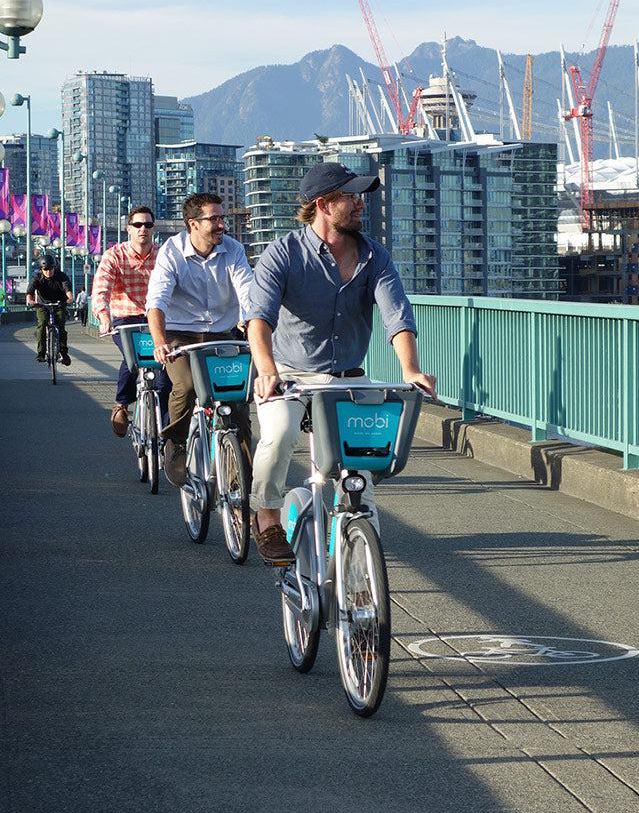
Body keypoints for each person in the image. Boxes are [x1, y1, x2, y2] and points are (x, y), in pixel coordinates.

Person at [245, 161, 437, 563]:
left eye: (359, 196)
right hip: (290, 375)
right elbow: (258, 319)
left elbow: (396, 316)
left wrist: (411, 369)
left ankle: (360, 577)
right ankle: (265, 516)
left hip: (348, 377)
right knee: (279, 437)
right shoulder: (283, 254)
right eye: (350, 197)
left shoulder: (373, 256)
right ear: (324, 204)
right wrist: (266, 370)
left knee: (359, 478)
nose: (359, 204)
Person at [146, 192, 254, 487]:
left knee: (238, 403)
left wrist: (250, 321)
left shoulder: (233, 249)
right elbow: (156, 301)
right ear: (193, 224)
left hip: (221, 333)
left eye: (223, 218)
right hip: (180, 334)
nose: (222, 225)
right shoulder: (172, 252)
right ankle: (176, 442)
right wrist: (160, 342)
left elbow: (247, 290)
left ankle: (242, 478)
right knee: (187, 384)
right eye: (214, 219)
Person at [92, 205, 170, 438]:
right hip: (126, 319)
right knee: (132, 358)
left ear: (154, 228)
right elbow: (101, 288)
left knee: (165, 372)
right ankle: (121, 404)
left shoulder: (164, 254)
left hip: (158, 317)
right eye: (137, 225)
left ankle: (167, 434)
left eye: (147, 225)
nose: (142, 229)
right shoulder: (114, 255)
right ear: (129, 229)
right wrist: (104, 317)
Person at [26, 254, 74, 364]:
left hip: (59, 304)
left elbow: (68, 290)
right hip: (43, 305)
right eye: (45, 269)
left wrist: (70, 299)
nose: (48, 272)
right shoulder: (37, 278)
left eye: (50, 269)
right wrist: (31, 300)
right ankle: (41, 353)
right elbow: (29, 292)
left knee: (61, 324)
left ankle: (63, 352)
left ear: (54, 268)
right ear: (41, 269)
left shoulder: (61, 276)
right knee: (42, 324)